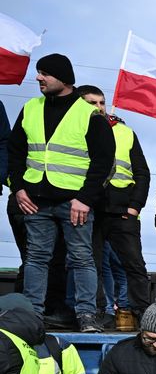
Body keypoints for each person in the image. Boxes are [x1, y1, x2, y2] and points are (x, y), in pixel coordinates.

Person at [8, 54, 112, 331]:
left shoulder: (89, 114)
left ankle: (86, 315)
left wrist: (85, 199)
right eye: (39, 72)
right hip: (35, 202)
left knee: (81, 258)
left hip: (74, 202)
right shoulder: (30, 108)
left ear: (63, 78)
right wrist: (18, 188)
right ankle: (33, 316)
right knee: (36, 258)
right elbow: (15, 152)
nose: (38, 78)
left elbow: (103, 162)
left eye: (45, 73)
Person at [77, 85, 151, 331]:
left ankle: (144, 315)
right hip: (90, 208)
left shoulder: (125, 132)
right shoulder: (75, 129)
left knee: (134, 265)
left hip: (122, 211)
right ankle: (97, 314)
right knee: (90, 264)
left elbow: (142, 172)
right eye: (91, 103)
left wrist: (134, 207)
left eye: (101, 102)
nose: (98, 107)